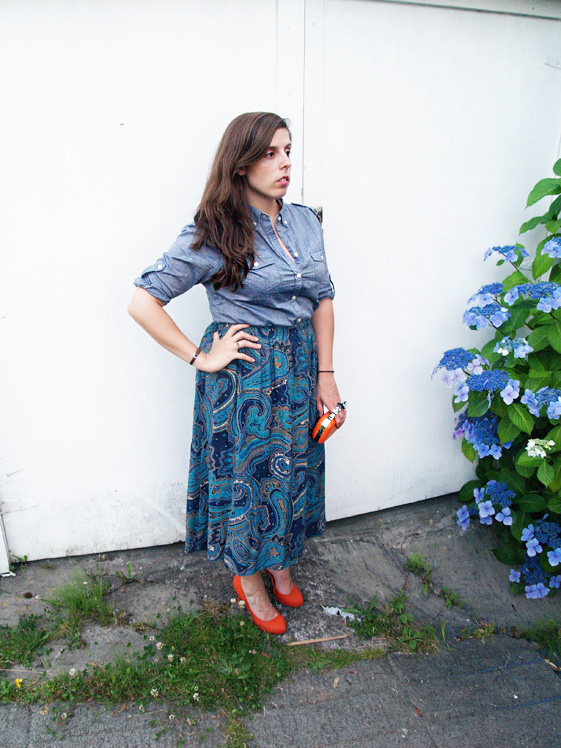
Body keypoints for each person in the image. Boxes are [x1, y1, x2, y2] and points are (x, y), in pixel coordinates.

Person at [128, 112, 345, 635]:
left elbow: (323, 299)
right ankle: (248, 578)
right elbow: (143, 301)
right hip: (245, 376)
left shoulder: (305, 221)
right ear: (241, 163)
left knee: (293, 469)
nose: (284, 163)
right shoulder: (215, 230)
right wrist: (201, 357)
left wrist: (326, 372)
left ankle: (279, 560)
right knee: (250, 480)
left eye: (287, 150)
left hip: (298, 369)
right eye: (270, 154)